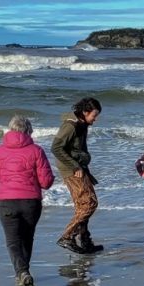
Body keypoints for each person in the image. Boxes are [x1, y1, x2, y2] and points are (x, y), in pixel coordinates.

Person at [0, 115, 54, 286]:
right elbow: (46, 182)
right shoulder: (36, 150)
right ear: (28, 131)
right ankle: (23, 272)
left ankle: (22, 272)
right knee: (27, 238)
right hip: (30, 202)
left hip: (7, 202)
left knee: (13, 241)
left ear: (10, 129)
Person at [51, 97, 103, 254]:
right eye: (94, 115)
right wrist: (74, 166)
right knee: (89, 204)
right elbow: (56, 148)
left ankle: (85, 240)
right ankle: (67, 237)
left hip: (80, 167)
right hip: (72, 170)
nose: (96, 119)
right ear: (85, 112)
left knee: (83, 205)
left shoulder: (82, 124)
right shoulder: (70, 126)